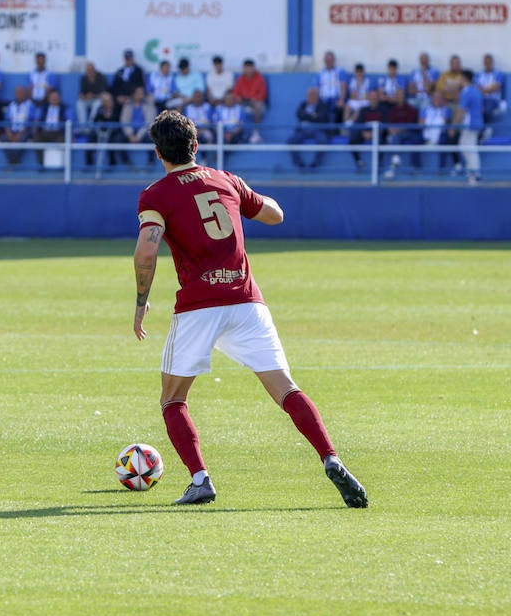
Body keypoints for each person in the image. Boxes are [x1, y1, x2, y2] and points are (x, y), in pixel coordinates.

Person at [132, 109, 367, 508]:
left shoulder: (155, 194)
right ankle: (331, 457)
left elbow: (146, 250)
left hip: (198, 306)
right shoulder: (226, 179)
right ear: (196, 145)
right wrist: (244, 195)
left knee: (173, 399)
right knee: (286, 388)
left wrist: (141, 302)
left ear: (158, 152)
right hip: (246, 302)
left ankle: (201, 479)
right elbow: (275, 215)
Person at [288, 86, 335, 170]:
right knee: (291, 141)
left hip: (318, 129)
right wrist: (312, 116)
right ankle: (299, 163)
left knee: (322, 141)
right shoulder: (303, 104)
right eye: (308, 95)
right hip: (304, 130)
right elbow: (299, 114)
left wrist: (307, 116)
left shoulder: (323, 105)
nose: (310, 97)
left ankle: (315, 163)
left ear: (317, 96)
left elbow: (321, 117)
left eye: (312, 95)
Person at [457, 72, 484, 183]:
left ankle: (475, 174)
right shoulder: (476, 91)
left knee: (469, 148)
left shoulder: (466, 91)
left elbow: (462, 110)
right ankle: (472, 172)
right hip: (477, 122)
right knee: (466, 147)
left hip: (470, 123)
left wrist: (454, 125)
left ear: (464, 78)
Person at [2, 85, 36, 168]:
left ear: (24, 94)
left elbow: (30, 121)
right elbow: (7, 121)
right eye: (17, 93)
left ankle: (12, 162)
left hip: (25, 131)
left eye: (21, 92)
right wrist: (9, 133)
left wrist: (19, 134)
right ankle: (14, 161)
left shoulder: (30, 105)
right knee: (3, 139)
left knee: (22, 139)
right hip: (12, 131)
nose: (19, 94)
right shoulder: (11, 105)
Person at [232, 59, 267, 129]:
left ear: (253, 68)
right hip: (243, 101)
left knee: (258, 106)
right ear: (243, 68)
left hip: (255, 101)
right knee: (232, 104)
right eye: (246, 68)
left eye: (250, 68)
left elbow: (263, 94)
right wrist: (238, 98)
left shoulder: (260, 78)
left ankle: (256, 130)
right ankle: (235, 128)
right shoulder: (240, 79)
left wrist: (255, 99)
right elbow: (235, 93)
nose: (248, 70)